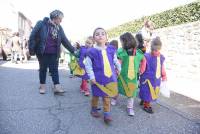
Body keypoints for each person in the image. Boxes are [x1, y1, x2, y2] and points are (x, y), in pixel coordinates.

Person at [28, 10, 77, 94]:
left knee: (54, 70)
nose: (61, 21)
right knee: (43, 69)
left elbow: (64, 40)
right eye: (60, 19)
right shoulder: (41, 24)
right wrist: (31, 49)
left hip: (54, 53)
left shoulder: (59, 28)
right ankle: (42, 86)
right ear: (54, 17)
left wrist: (73, 51)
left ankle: (56, 87)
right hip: (42, 51)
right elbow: (32, 36)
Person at [85, 27, 121, 123]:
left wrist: (119, 68)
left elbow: (115, 60)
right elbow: (88, 66)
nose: (100, 35)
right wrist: (91, 77)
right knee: (96, 95)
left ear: (106, 37)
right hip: (97, 79)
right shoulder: (91, 52)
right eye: (97, 34)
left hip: (109, 78)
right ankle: (94, 108)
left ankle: (107, 113)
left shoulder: (111, 50)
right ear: (93, 39)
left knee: (106, 96)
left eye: (102, 34)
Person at [116, 32, 144, 116]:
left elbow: (144, 60)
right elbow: (118, 62)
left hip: (133, 77)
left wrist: (142, 69)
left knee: (131, 91)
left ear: (126, 41)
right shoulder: (121, 52)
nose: (121, 43)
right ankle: (114, 98)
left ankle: (130, 107)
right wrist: (116, 70)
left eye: (122, 42)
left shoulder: (138, 53)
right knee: (118, 87)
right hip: (122, 75)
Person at [139, 37, 167, 114]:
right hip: (147, 78)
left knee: (152, 91)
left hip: (156, 79)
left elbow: (162, 67)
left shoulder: (161, 57)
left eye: (157, 50)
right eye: (153, 50)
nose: (155, 52)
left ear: (159, 49)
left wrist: (164, 76)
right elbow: (142, 67)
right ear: (151, 48)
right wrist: (139, 73)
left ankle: (144, 100)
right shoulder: (146, 56)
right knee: (147, 91)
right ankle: (146, 105)